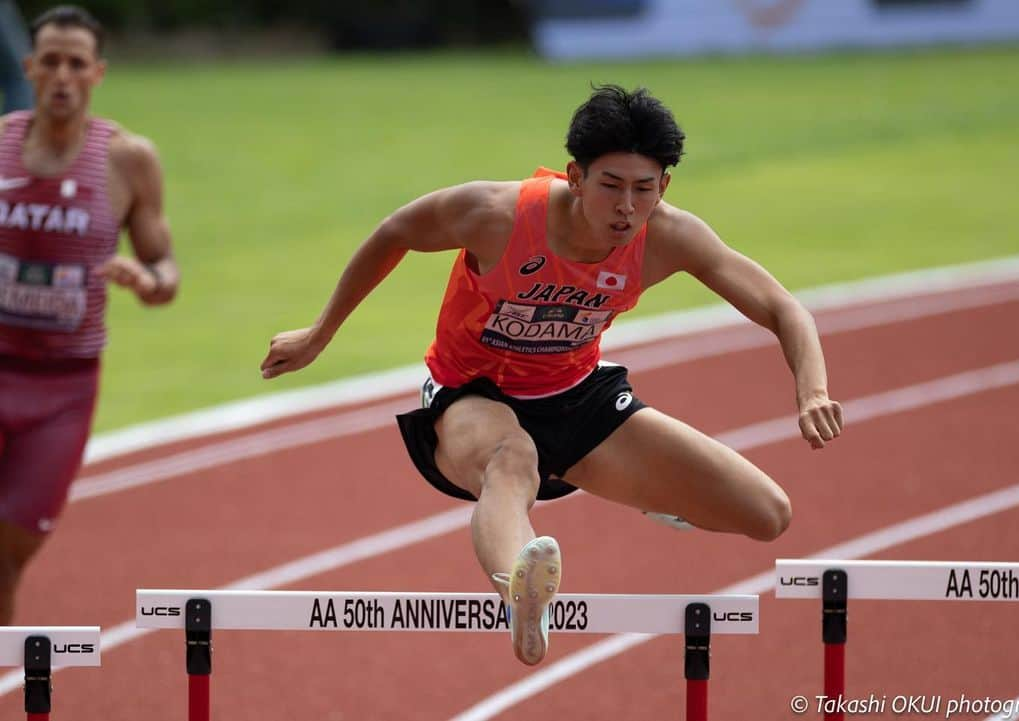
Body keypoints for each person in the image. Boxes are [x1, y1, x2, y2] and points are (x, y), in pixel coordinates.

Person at [261, 85, 842, 665]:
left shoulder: (672, 237)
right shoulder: (497, 215)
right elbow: (396, 232)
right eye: (610, 186)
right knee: (511, 460)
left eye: (643, 190)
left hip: (575, 395)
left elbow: (784, 308)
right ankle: (521, 597)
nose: (626, 208)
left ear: (663, 187)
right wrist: (319, 334)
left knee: (767, 514)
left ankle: (648, 491)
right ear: (575, 177)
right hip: (471, 394)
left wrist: (812, 389)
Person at [0, 5, 179, 624]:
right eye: (50, 61)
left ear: (97, 73)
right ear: (30, 68)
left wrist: (145, 278)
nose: (62, 76)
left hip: (64, 388)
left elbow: (166, 272)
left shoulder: (129, 161)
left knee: (11, 552)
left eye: (76, 64)